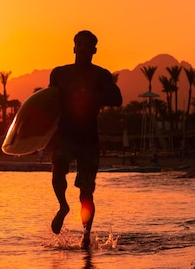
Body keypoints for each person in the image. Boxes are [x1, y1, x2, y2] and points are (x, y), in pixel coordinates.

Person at [48, 30, 122, 249]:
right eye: (79, 44)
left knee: (86, 192)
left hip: (89, 139)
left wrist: (93, 96)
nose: (83, 49)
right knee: (57, 173)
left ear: (94, 50)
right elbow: (49, 102)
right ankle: (63, 207)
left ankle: (86, 235)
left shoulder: (101, 76)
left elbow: (117, 99)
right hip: (64, 136)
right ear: (73, 47)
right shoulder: (59, 74)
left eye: (88, 46)